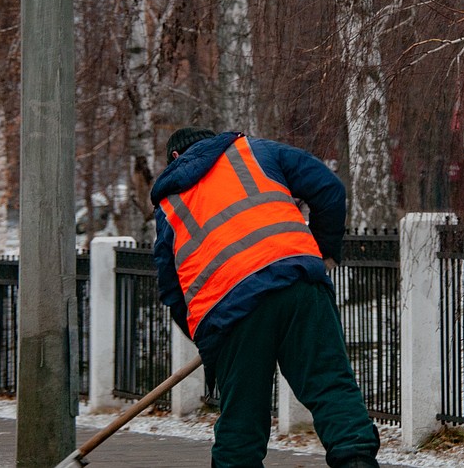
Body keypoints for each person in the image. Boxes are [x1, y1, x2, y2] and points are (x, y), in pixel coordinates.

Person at [150, 126, 381, 468]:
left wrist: (210, 343)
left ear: (173, 159)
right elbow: (329, 188)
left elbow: (172, 292)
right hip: (298, 283)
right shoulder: (254, 151)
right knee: (331, 388)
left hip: (230, 313)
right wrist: (322, 252)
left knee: (241, 421)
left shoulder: (169, 205)